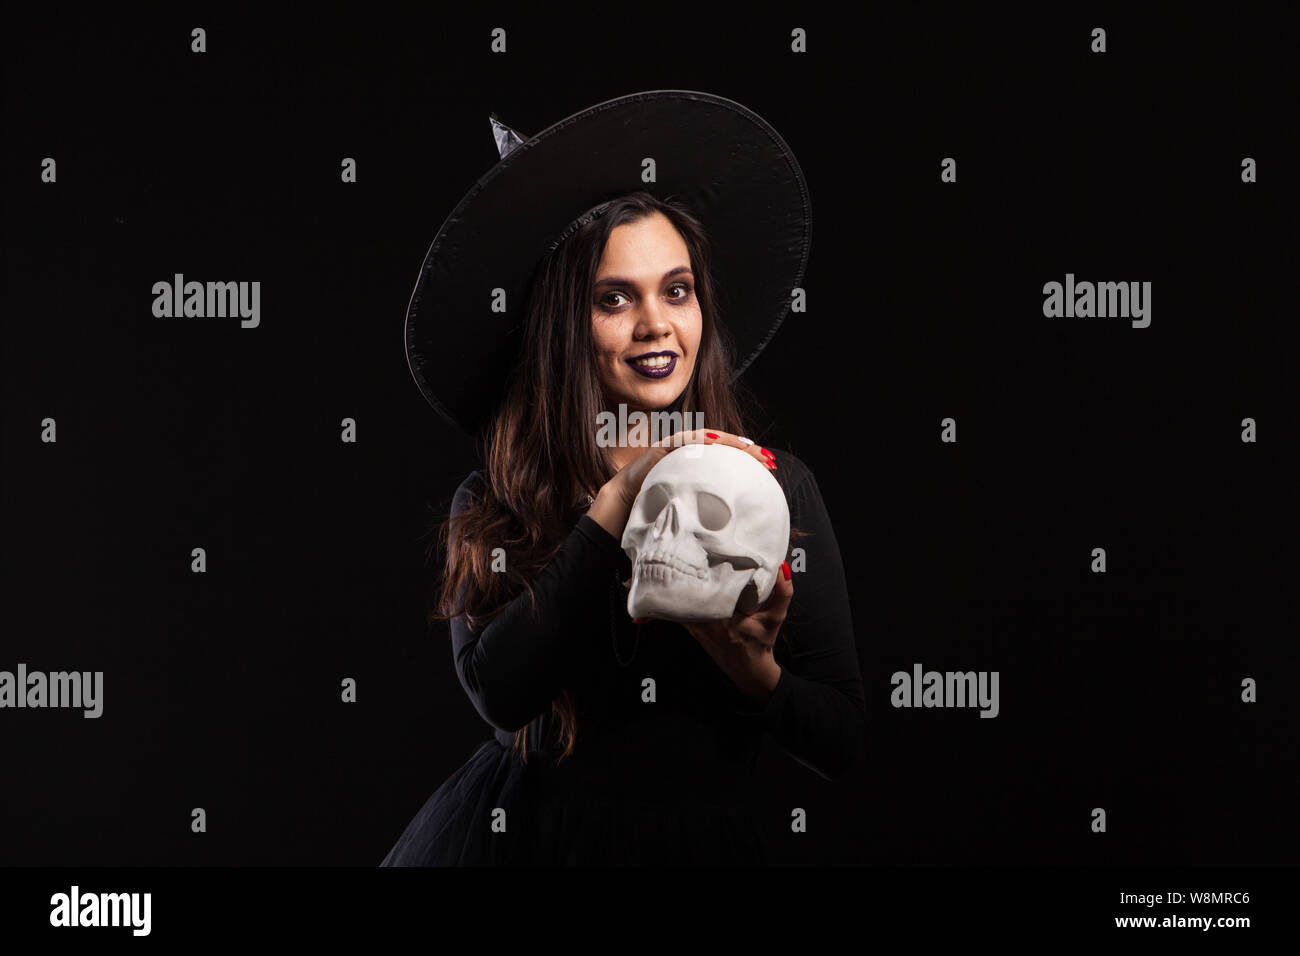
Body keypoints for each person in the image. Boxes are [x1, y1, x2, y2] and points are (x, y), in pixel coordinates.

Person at [383, 92, 865, 865]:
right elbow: (499, 693)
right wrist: (613, 507)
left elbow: (841, 739)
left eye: (677, 290)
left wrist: (754, 671)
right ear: (565, 324)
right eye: (615, 299)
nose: (656, 325)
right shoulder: (500, 499)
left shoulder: (774, 485)